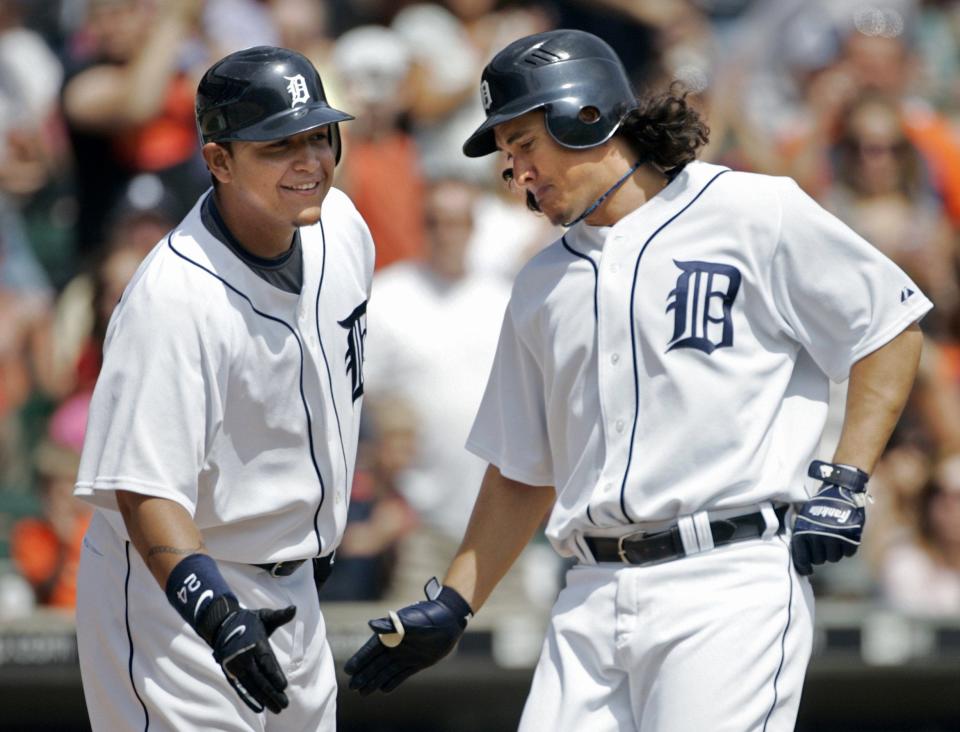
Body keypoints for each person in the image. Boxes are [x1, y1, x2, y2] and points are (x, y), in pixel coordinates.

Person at [345, 29, 930, 731]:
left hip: (727, 580)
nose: (514, 170)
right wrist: (455, 603)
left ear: (584, 114)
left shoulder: (751, 211)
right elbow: (525, 468)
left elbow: (889, 327)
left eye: (523, 143)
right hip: (590, 591)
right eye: (506, 153)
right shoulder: (540, 281)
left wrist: (846, 481)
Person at [73, 46, 373, 730]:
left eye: (319, 136)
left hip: (295, 583)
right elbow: (144, 490)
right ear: (219, 161)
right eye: (277, 145)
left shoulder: (344, 230)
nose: (309, 162)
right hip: (173, 598)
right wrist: (215, 615)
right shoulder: (171, 299)